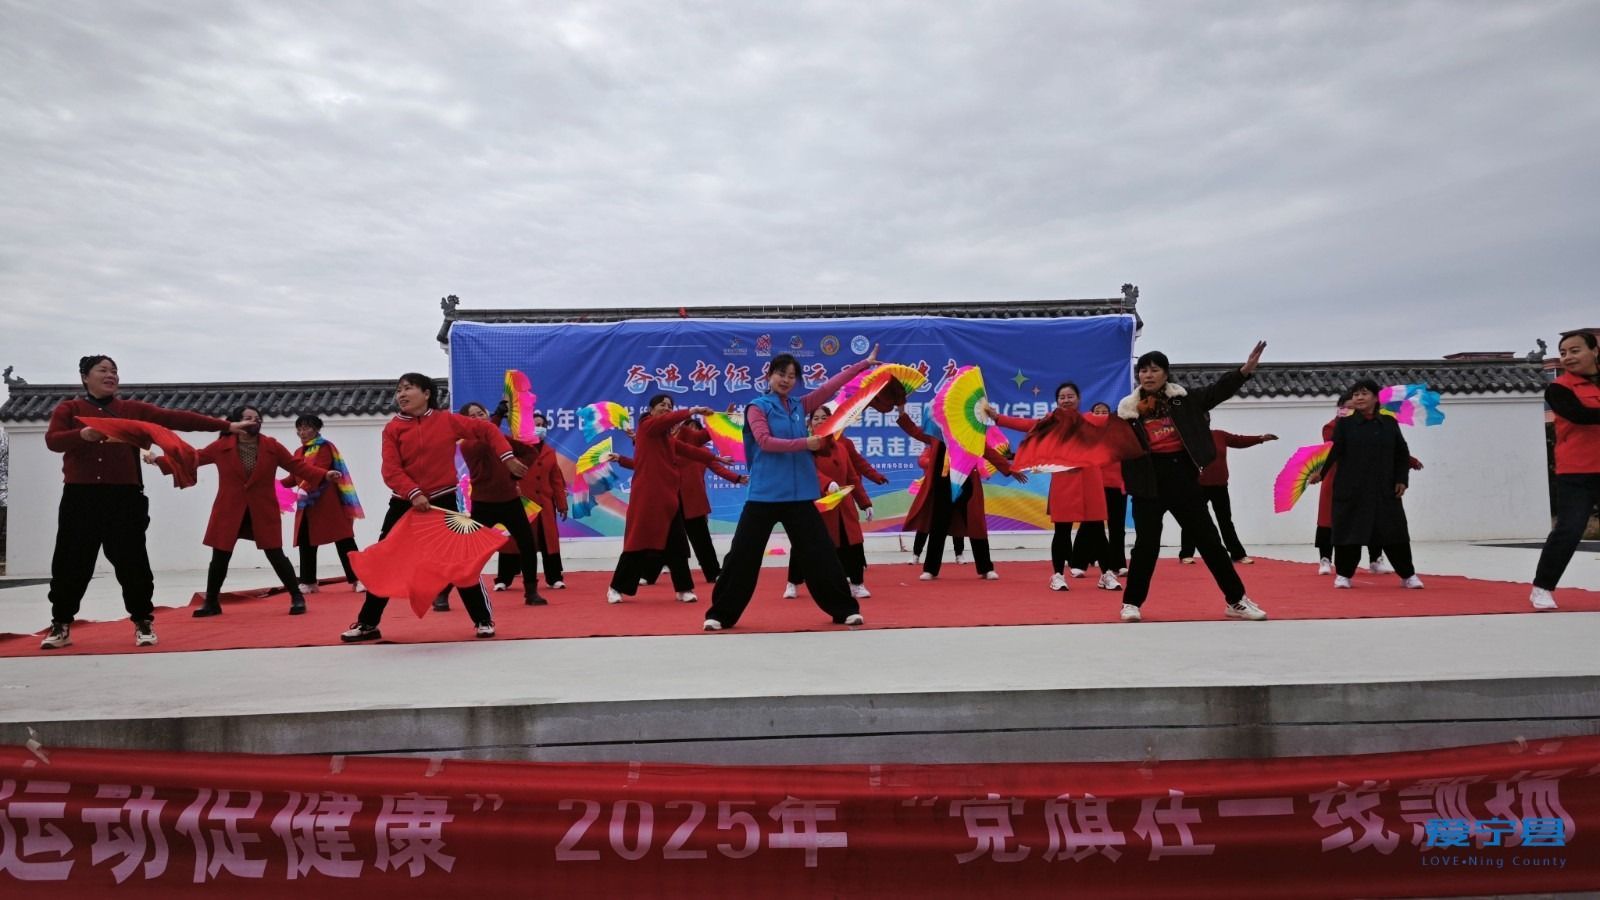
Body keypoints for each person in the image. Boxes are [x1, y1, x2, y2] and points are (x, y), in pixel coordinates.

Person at [39, 355, 247, 651]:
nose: (111, 375)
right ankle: (61, 623)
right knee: (71, 562)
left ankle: (142, 621)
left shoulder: (132, 410)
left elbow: (176, 419)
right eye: (103, 370)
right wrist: (82, 434)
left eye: (114, 371)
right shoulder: (70, 409)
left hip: (124, 496)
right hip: (80, 496)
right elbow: (53, 441)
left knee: (132, 562)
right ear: (85, 377)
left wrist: (227, 425)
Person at [339, 373, 526, 643]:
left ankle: (482, 619)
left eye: (408, 388)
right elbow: (391, 469)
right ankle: (368, 624)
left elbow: (486, 430)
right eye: (399, 390)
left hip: (442, 502)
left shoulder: (446, 421)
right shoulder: (393, 428)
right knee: (386, 560)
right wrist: (413, 493)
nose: (401, 394)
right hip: (404, 503)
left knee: (459, 562)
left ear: (427, 393)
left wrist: (507, 457)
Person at [703, 351, 877, 631]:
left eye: (792, 376)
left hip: (800, 495)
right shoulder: (757, 407)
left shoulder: (800, 405)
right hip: (764, 495)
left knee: (821, 554)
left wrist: (863, 364)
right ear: (769, 375)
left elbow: (831, 386)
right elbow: (765, 441)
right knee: (742, 556)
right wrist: (806, 443)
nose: (786, 380)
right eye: (781, 374)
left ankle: (844, 610)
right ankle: (720, 614)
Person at [1116, 344, 1270, 623]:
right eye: (1143, 370)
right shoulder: (1128, 411)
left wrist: (1244, 371)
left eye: (1154, 370)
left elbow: (1217, 391)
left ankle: (1236, 600)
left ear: (1166, 374)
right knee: (1146, 546)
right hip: (1147, 481)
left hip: (1182, 477)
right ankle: (1131, 603)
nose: (1148, 375)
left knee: (1210, 542)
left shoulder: (1183, 400)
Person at [154, 405, 337, 617]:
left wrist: (324, 475)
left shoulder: (271, 446)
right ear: (236, 422)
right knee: (220, 556)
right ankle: (211, 602)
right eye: (249, 418)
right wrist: (160, 461)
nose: (254, 421)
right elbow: (194, 458)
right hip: (229, 509)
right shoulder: (222, 446)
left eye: (257, 418)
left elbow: (296, 466)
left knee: (275, 554)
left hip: (262, 508)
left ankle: (297, 597)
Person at [988, 383, 1120, 592]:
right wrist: (998, 418)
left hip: (1090, 481)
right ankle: (1058, 575)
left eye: (1070, 396)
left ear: (1079, 399)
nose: (1066, 400)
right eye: (1062, 397)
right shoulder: (1050, 423)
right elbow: (1027, 424)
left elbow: (1118, 420)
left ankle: (1106, 575)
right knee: (1062, 531)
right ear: (1057, 401)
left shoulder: (1091, 420)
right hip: (1064, 482)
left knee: (1097, 530)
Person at [1309, 379, 1424, 590]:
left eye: (1364, 393)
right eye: (1355, 394)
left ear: (1375, 397)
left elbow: (1401, 452)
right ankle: (1343, 575)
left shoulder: (1388, 423)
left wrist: (1402, 480)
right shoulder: (1345, 424)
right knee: (1348, 534)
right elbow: (1335, 451)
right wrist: (1321, 474)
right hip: (1351, 488)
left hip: (1384, 489)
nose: (1359, 398)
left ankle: (1408, 575)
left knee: (1394, 533)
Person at [604, 395, 720, 604]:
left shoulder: (666, 439)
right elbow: (665, 422)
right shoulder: (646, 426)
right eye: (662, 405)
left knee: (678, 545)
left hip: (669, 499)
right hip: (647, 499)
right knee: (637, 544)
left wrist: (715, 458)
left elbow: (689, 450)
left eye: (669, 406)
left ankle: (683, 589)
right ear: (651, 410)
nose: (666, 408)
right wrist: (692, 410)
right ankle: (616, 587)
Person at [897, 402, 1028, 580]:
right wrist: (901, 411)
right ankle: (930, 569)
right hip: (942, 486)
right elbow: (914, 431)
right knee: (938, 527)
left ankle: (986, 568)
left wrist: (1009, 469)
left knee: (976, 527)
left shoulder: (969, 434)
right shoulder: (936, 435)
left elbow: (988, 451)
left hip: (966, 485)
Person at [1530, 330, 1600, 610]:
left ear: (1595, 351)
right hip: (1577, 470)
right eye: (1563, 353)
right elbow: (1579, 415)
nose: (1568, 357)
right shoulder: (1559, 388)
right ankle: (1542, 587)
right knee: (1569, 530)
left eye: (1574, 350)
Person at [783, 405, 875, 600]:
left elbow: (852, 477)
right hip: (815, 504)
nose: (820, 421)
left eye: (824, 418)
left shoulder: (841, 447)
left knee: (852, 543)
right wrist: (826, 483)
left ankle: (857, 584)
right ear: (809, 424)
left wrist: (865, 503)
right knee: (804, 544)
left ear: (832, 421)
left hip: (843, 505)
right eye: (815, 418)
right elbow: (809, 471)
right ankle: (793, 582)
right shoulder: (805, 448)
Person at [459, 402, 544, 607]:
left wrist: (516, 473)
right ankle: (444, 592)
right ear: (464, 423)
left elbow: (530, 452)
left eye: (481, 413)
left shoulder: (500, 438)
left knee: (527, 545)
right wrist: (496, 418)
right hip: (483, 504)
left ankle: (531, 592)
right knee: (469, 551)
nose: (478, 418)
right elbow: (484, 444)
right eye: (472, 416)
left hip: (510, 501)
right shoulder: (467, 444)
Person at [285, 414, 363, 595]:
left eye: (306, 428)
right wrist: (274, 484)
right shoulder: (298, 452)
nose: (302, 432)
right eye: (299, 428)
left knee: (344, 540)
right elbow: (294, 477)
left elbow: (319, 471)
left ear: (317, 429)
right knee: (306, 541)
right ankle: (308, 581)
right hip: (307, 505)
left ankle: (358, 578)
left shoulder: (325, 447)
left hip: (328, 503)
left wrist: (303, 489)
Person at [1177, 428, 1278, 565]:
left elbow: (1239, 440)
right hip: (1198, 486)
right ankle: (1186, 553)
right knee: (1193, 519)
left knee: (1225, 521)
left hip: (1220, 486)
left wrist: (1260, 439)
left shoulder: (1220, 435)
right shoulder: (1190, 437)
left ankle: (1237, 554)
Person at [493, 410, 570, 590]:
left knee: (548, 542)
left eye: (542, 425)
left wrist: (562, 504)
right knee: (512, 541)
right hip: (521, 503)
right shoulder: (515, 447)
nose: (539, 428)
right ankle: (504, 579)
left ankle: (554, 577)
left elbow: (556, 479)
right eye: (536, 425)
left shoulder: (550, 452)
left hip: (544, 505)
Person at [1090, 401, 1129, 576]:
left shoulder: (1118, 434)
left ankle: (1118, 563)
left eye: (1104, 411)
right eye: (1097, 412)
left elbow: (1127, 461)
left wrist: (1126, 482)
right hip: (1094, 486)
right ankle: (1087, 558)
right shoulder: (1087, 436)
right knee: (1093, 527)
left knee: (1117, 527)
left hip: (1117, 485)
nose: (1101, 414)